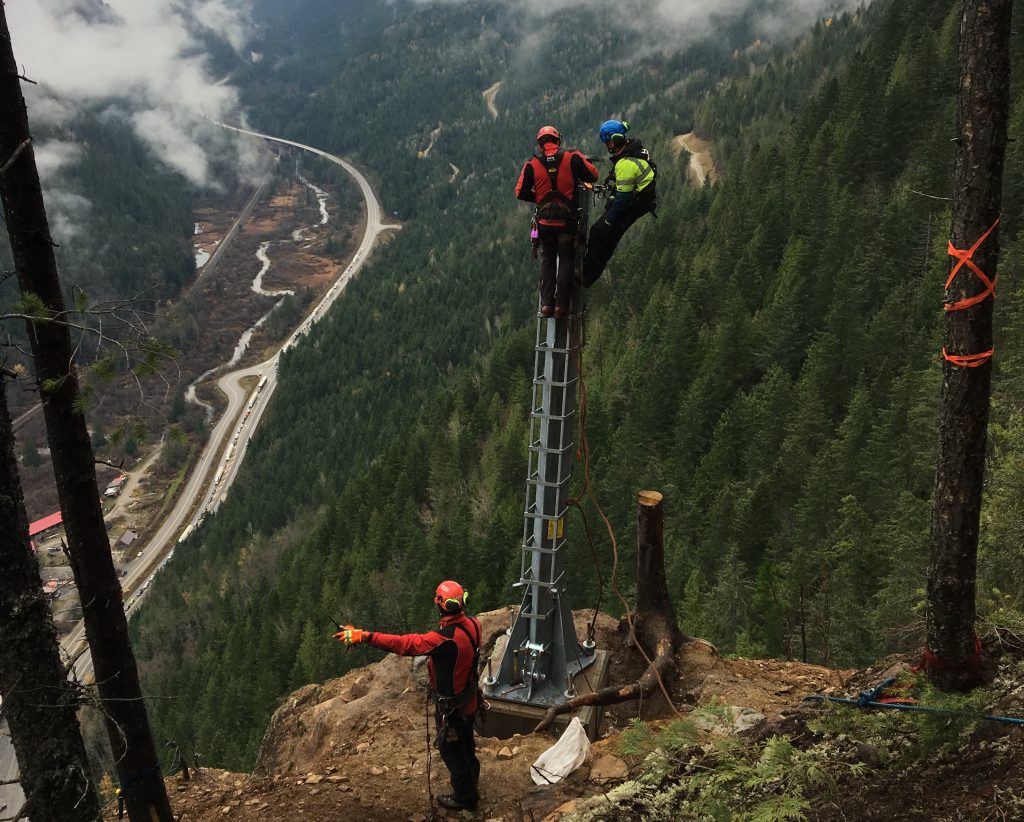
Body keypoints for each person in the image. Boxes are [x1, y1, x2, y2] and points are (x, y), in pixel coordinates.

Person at [335, 580, 483, 812]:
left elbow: (404, 645)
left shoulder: (443, 639)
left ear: (440, 604)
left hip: (452, 708)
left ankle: (466, 797)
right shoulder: (474, 625)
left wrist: (364, 635)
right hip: (470, 700)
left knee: (451, 750)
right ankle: (472, 780)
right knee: (466, 742)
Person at [515, 125, 599, 317]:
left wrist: (538, 198)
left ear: (540, 143)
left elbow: (520, 192)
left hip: (544, 224)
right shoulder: (573, 157)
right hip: (567, 223)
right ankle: (561, 305)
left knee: (548, 260)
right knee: (567, 260)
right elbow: (593, 175)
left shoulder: (531, 165)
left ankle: (546, 304)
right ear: (557, 140)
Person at [581, 119, 657, 286]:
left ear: (614, 140)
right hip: (640, 201)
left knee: (599, 232)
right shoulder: (632, 153)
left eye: (608, 142)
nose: (607, 146)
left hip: (634, 205)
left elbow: (623, 199)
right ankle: (588, 275)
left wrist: (609, 220)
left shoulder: (625, 163)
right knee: (607, 238)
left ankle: (585, 273)